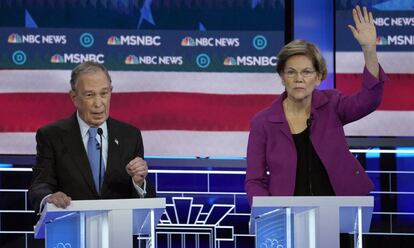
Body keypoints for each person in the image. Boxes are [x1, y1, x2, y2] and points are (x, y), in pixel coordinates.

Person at [245, 6, 388, 205]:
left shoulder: (332, 105)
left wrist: (369, 50)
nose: (299, 79)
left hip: (339, 210)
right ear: (282, 78)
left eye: (307, 72)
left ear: (319, 78)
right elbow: (255, 180)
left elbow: (369, 100)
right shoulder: (263, 123)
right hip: (286, 215)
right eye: (291, 72)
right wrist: (269, 214)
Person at [29, 61, 156, 213]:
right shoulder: (51, 136)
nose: (98, 103)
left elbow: (145, 202)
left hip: (118, 232)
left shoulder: (130, 136)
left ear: (111, 92)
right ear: (74, 97)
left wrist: (139, 182)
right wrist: (50, 197)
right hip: (70, 230)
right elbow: (40, 185)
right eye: (90, 95)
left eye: (104, 93)